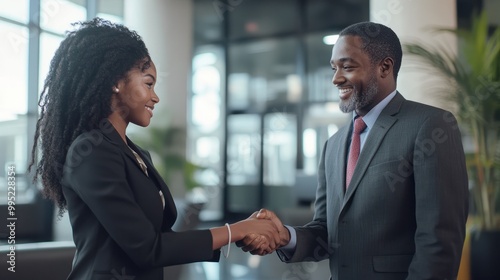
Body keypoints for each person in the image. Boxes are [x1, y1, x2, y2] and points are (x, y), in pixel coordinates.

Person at [28, 18, 279, 280]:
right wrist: (236, 230)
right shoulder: (92, 152)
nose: (155, 96)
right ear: (116, 82)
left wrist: (237, 232)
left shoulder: (135, 153)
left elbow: (159, 239)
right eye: (148, 84)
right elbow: (148, 249)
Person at [239, 22, 469, 280]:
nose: (336, 78)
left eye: (347, 67)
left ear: (385, 67)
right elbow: (328, 232)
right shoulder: (334, 145)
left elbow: (439, 240)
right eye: (334, 68)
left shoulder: (430, 125)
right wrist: (286, 236)